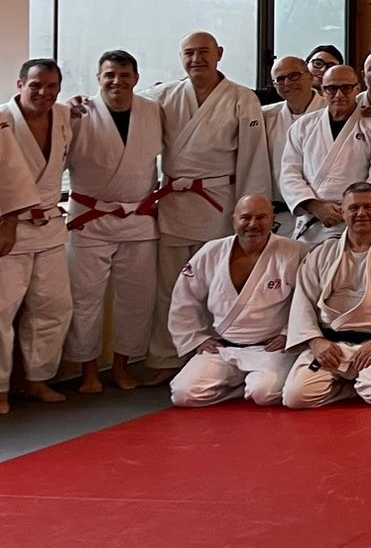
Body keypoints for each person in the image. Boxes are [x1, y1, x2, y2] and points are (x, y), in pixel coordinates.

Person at [153, 32, 269, 372]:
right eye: (188, 53)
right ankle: (166, 357)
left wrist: (251, 214)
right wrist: (83, 104)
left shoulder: (241, 98)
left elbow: (253, 157)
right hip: (174, 203)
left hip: (219, 203)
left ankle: (216, 358)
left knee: (216, 285)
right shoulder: (163, 96)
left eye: (203, 52)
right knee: (170, 286)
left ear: (219, 53)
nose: (196, 59)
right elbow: (123, 104)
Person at [62, 50, 163, 393]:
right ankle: (89, 371)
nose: (117, 81)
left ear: (136, 78)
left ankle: (122, 366)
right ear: (98, 78)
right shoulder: (78, 113)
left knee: (137, 298)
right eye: (109, 75)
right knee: (84, 298)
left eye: (124, 75)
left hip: (139, 218)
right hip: (89, 220)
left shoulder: (153, 110)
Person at [280, 183, 371, 409]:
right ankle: (350, 388)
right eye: (354, 208)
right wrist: (316, 342)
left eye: (368, 207)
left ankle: (360, 382)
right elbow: (303, 302)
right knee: (295, 397)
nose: (361, 213)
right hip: (331, 344)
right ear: (343, 211)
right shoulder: (322, 251)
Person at [166, 194, 303, 407]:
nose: (253, 224)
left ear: (273, 220)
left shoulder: (294, 251)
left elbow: (306, 300)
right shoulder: (211, 251)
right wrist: (196, 338)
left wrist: (288, 334)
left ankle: (248, 385)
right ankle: (239, 385)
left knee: (263, 393)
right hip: (223, 347)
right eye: (245, 218)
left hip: (269, 349)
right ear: (233, 220)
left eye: (261, 217)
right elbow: (184, 297)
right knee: (183, 394)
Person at [2, 59, 73, 406]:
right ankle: (0, 388)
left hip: (49, 228)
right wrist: (7, 221)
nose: (44, 92)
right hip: (8, 229)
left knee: (53, 307)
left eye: (52, 86)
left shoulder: (63, 116)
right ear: (20, 85)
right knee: (1, 311)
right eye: (35, 85)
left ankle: (38, 379)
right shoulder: (2, 120)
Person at [280, 65, 371, 244]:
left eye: (346, 88)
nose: (339, 95)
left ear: (358, 88)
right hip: (312, 218)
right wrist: (315, 206)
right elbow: (289, 173)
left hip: (356, 218)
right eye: (331, 88)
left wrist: (352, 208)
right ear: (323, 90)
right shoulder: (303, 126)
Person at [262, 56, 317, 205]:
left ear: (310, 77)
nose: (287, 83)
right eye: (280, 79)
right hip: (278, 204)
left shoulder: (332, 112)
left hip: (322, 204)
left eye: (294, 76)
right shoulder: (265, 116)